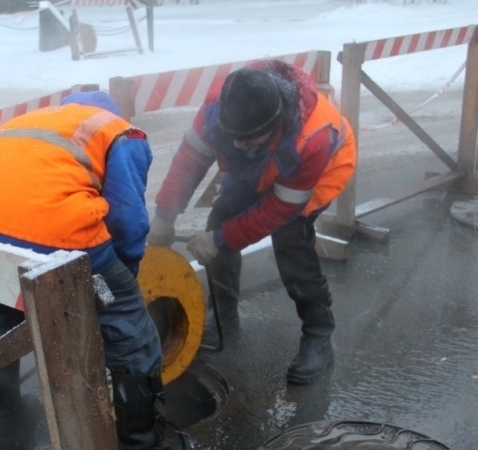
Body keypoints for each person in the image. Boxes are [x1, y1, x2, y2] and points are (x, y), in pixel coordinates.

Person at [0, 91, 174, 449]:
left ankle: (7, 437)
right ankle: (142, 442)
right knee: (134, 339)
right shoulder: (119, 132)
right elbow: (127, 220)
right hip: (55, 234)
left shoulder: (28, 123)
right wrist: (121, 286)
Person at [147, 59, 356, 385]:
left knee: (290, 242)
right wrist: (164, 217)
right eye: (232, 139)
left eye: (247, 140)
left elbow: (277, 211)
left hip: (319, 172)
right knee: (221, 218)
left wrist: (219, 241)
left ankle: (319, 336)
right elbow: (189, 161)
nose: (236, 146)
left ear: (275, 126)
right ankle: (225, 317)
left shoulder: (314, 137)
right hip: (258, 167)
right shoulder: (222, 107)